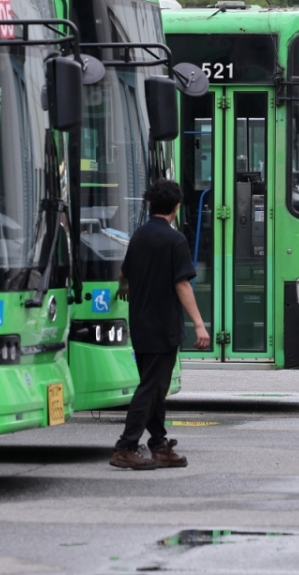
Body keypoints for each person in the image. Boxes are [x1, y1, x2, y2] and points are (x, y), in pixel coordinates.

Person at [111, 179, 210, 470]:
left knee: (154, 387)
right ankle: (125, 446)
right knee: (151, 388)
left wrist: (127, 289)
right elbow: (182, 284)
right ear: (177, 208)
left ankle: (158, 445)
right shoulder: (175, 240)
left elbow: (123, 276)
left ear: (150, 205)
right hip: (163, 326)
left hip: (140, 325)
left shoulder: (139, 235)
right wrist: (199, 325)